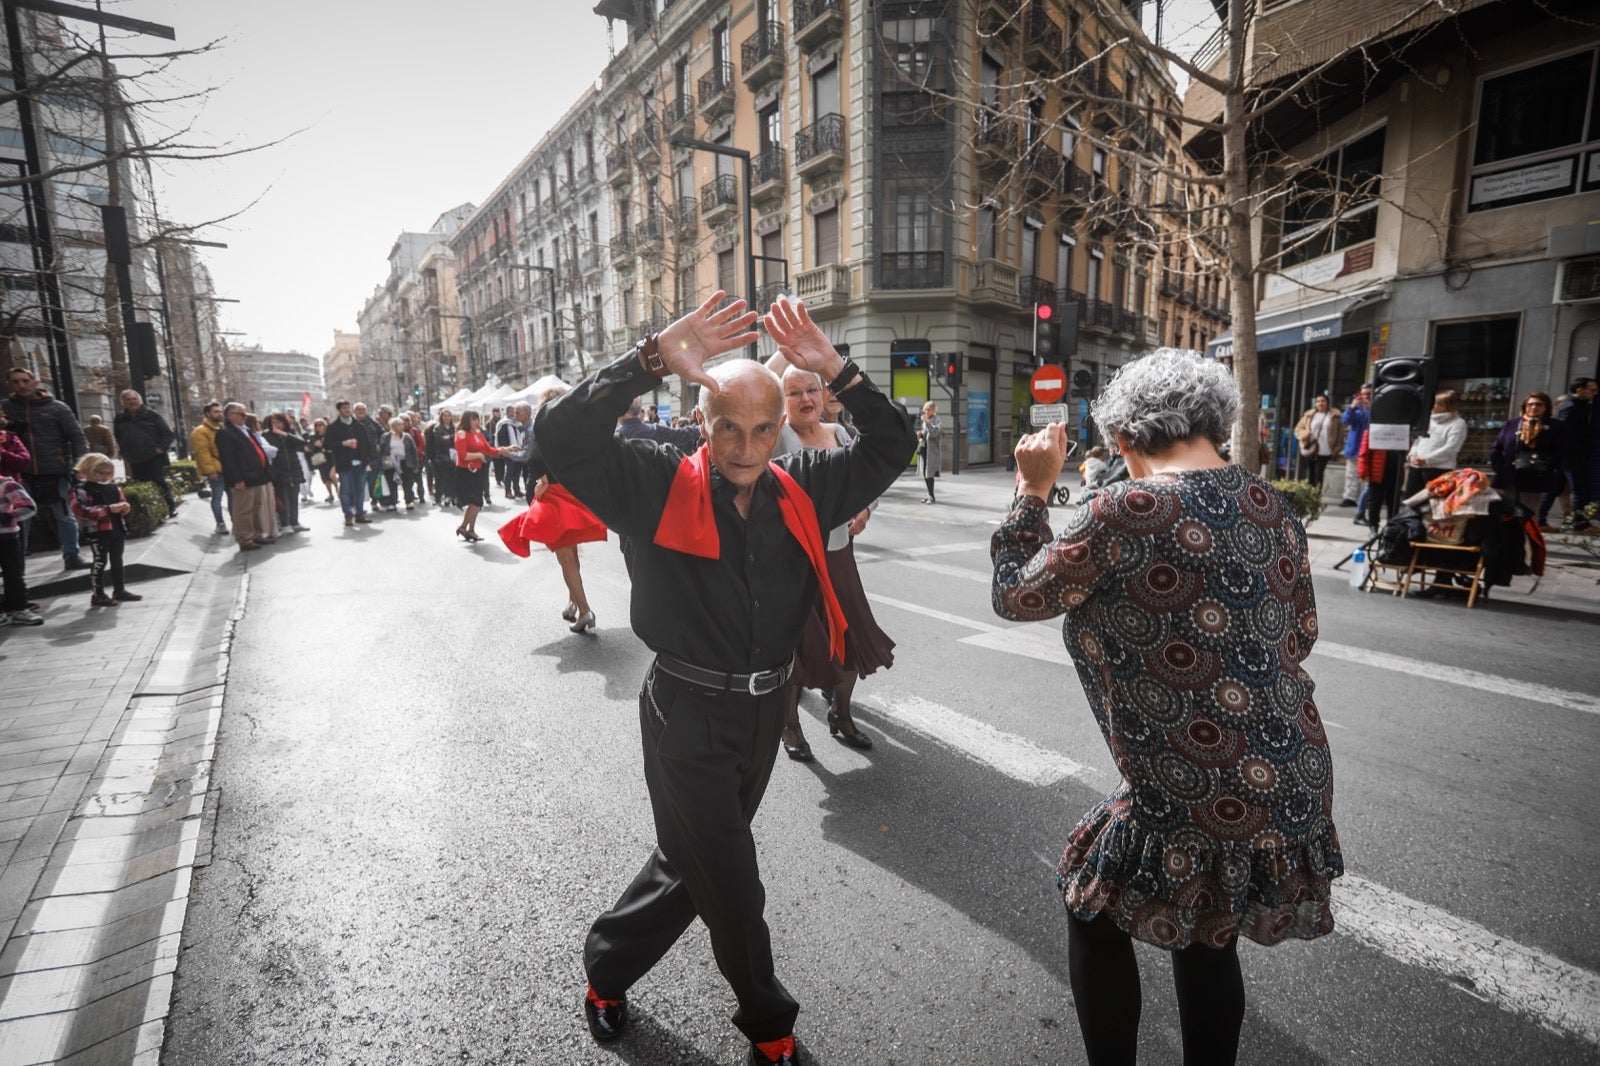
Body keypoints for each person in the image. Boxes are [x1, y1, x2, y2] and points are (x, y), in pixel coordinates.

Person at [540, 294, 915, 1065]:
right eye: (727, 427)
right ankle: (769, 1026)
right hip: (685, 713)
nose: (745, 447)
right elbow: (560, 440)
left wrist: (836, 369)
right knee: (735, 886)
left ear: (781, 429)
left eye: (762, 428)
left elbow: (892, 443)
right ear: (702, 425)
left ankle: (606, 968)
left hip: (763, 711)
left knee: (692, 865)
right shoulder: (653, 480)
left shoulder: (806, 485)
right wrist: (644, 362)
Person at [992, 350, 1343, 1066]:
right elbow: (1301, 633)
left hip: (1190, 780)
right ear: (1218, 423)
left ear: (1123, 439)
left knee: (1090, 903)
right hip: (1291, 765)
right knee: (1204, 926)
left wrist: (1032, 493)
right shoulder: (1272, 504)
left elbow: (1014, 594)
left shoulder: (1124, 508)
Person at [771, 364, 890, 762]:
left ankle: (840, 714)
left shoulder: (840, 434)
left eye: (811, 390)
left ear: (824, 395)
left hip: (839, 558)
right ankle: (790, 725)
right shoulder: (775, 438)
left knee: (853, 643)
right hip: (793, 565)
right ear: (782, 401)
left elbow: (869, 481)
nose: (805, 399)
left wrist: (864, 510)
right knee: (796, 654)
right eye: (793, 392)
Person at [498, 391, 607, 632]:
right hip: (571, 493)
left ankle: (585, 609)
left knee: (565, 557)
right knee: (571, 551)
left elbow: (534, 457)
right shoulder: (575, 425)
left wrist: (543, 480)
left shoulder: (544, 423)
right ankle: (573, 603)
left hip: (551, 495)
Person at [3, 366, 90, 569]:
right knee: (20, 517)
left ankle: (72, 556)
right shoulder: (5, 409)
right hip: (20, 473)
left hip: (55, 470)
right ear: (9, 384)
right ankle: (17, 563)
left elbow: (77, 437)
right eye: (15, 381)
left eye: (25, 380)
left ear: (35, 382)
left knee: (64, 515)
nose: (21, 385)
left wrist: (80, 465)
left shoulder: (57, 408)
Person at [70, 452, 141, 606]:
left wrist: (124, 508)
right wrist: (108, 509)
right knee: (100, 561)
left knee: (117, 560)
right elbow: (80, 510)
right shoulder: (81, 489)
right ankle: (98, 594)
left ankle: (119, 590)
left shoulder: (113, 487)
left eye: (108, 473)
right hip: (98, 530)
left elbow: (121, 502)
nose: (104, 476)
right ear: (88, 470)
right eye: (100, 473)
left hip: (116, 528)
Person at [1490, 391, 1567, 517]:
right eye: (1530, 404)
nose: (1533, 407)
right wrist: (1499, 467)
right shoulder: (1512, 424)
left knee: (1528, 515)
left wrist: (1547, 465)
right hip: (1508, 476)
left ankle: (1526, 537)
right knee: (1504, 515)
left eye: (1538, 404)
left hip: (1535, 477)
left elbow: (1561, 450)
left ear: (1546, 407)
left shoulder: (1555, 426)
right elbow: (1496, 447)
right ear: (1524, 407)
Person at [216, 404, 276, 551]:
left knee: (256, 507)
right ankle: (244, 538)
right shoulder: (225, 433)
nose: (245, 417)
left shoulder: (246, 430)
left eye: (245, 415)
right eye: (241, 414)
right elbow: (228, 459)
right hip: (243, 478)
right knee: (244, 509)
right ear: (230, 416)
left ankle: (256, 534)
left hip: (257, 475)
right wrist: (236, 480)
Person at [1543, 377, 1596, 532]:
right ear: (1580, 390)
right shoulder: (1571, 407)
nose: (1595, 393)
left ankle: (1540, 520)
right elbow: (1562, 432)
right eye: (1592, 390)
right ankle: (1581, 524)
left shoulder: (1578, 405)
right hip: (1571, 456)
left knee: (1554, 489)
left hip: (1568, 456)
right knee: (1579, 490)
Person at [113, 390, 178, 513]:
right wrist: (123, 451)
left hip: (154, 456)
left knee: (159, 481)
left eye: (134, 399)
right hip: (134, 458)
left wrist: (160, 449)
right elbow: (118, 436)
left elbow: (168, 435)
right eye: (128, 400)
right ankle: (150, 512)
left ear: (140, 400)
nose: (132, 402)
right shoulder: (119, 418)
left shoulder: (152, 415)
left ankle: (170, 507)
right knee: (141, 484)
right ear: (123, 403)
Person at [1403, 389, 1468, 498]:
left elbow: (1451, 448)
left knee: (1434, 504)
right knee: (1411, 502)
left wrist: (1426, 459)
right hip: (1416, 468)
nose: (1431, 406)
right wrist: (1411, 455)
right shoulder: (1427, 420)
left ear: (1445, 406)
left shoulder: (1458, 423)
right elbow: (1418, 441)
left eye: (1435, 403)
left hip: (1438, 470)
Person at [0, 472, 41, 627]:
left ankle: (19, 609)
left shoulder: (7, 485)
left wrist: (8, 517)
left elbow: (29, 507)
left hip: (6, 537)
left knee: (13, 574)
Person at [325, 401, 374, 527]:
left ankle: (359, 513)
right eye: (344, 408)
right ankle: (348, 514)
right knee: (345, 490)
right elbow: (327, 445)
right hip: (344, 463)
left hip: (360, 462)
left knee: (360, 490)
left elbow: (367, 444)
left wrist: (366, 460)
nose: (347, 410)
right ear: (339, 410)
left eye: (348, 408)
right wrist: (343, 443)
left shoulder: (359, 426)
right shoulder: (333, 427)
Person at [452, 411, 499, 542]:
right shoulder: (461, 434)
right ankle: (468, 529)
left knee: (477, 503)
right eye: (473, 419)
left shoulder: (478, 433)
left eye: (477, 419)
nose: (476, 422)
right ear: (467, 420)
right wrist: (478, 455)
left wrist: (504, 450)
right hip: (465, 472)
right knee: (475, 502)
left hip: (477, 470)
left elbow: (489, 449)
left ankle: (466, 528)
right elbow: (463, 455)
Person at [262, 412, 309, 533]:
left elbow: (302, 443)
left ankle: (295, 522)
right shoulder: (266, 435)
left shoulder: (290, 433)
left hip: (294, 469)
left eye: (279, 422)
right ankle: (285, 524)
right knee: (283, 498)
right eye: (274, 423)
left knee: (294, 497)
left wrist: (284, 434)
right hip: (279, 470)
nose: (276, 425)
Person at [190, 402, 230, 535]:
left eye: (220, 411)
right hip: (216, 470)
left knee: (233, 497)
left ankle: (236, 522)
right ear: (208, 414)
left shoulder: (223, 428)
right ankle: (220, 523)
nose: (219, 414)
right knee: (217, 496)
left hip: (228, 468)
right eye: (216, 411)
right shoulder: (200, 431)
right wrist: (210, 470)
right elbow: (203, 452)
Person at [1292, 393, 1343, 491]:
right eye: (1318, 401)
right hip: (1310, 447)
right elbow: (1298, 429)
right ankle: (1310, 495)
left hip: (1326, 449)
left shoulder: (1334, 416)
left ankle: (1317, 494)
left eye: (1323, 401)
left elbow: (1340, 434)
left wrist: (1337, 448)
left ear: (1327, 403)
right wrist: (1304, 434)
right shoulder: (1309, 415)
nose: (1320, 403)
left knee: (1319, 472)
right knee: (1311, 472)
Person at [1338, 385, 1370, 506]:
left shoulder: (1376, 408)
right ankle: (1350, 498)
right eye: (1363, 394)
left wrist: (1369, 408)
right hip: (1355, 446)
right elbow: (1345, 420)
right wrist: (1352, 407)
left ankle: (1367, 499)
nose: (1365, 397)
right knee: (1351, 474)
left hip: (1370, 448)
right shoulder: (1355, 409)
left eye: (1368, 394)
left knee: (1369, 476)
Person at [381, 416, 421, 511]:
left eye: (401, 424)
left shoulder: (407, 436)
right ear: (393, 426)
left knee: (408, 483)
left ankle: (409, 501)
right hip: (391, 463)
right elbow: (382, 450)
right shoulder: (386, 437)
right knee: (392, 483)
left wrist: (415, 465)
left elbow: (413, 451)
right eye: (398, 425)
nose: (401, 426)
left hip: (405, 463)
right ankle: (392, 502)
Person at [426, 410, 458, 509]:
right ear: (441, 417)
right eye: (444, 416)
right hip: (441, 456)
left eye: (448, 415)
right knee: (442, 477)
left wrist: (449, 437)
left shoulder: (454, 427)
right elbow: (439, 440)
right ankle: (444, 496)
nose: (447, 417)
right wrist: (449, 438)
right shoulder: (437, 428)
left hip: (453, 455)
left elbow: (457, 438)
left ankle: (453, 496)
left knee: (453, 477)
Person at [497, 407, 527, 500]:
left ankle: (517, 490)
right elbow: (501, 439)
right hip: (509, 452)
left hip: (519, 451)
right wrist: (507, 450)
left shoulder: (518, 424)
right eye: (511, 411)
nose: (513, 414)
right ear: (507, 412)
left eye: (514, 412)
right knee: (509, 471)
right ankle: (508, 491)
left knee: (517, 471)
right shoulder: (503, 424)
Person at [306, 418, 337, 504]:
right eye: (317, 425)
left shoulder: (329, 434)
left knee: (332, 475)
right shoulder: (313, 437)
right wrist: (315, 445)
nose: (319, 427)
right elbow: (310, 448)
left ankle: (338, 491)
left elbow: (334, 444)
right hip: (321, 459)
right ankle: (330, 494)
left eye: (321, 424)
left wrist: (326, 445)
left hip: (331, 457)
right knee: (325, 478)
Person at [917, 400, 942, 503]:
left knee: (929, 473)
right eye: (925, 409)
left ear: (933, 410)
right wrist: (920, 434)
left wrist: (927, 423)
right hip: (924, 449)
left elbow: (934, 433)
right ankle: (929, 494)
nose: (926, 411)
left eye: (928, 409)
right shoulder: (925, 421)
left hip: (932, 451)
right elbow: (925, 434)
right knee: (924, 472)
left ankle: (932, 496)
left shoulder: (936, 420)